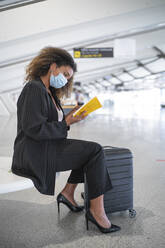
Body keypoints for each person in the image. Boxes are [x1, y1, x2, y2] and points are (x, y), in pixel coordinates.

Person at [11, 47, 120, 234]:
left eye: (69, 77)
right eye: (65, 74)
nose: (66, 80)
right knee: (94, 151)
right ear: (53, 66)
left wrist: (70, 120)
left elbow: (50, 124)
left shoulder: (49, 92)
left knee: (87, 151)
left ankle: (68, 194)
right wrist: (66, 123)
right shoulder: (34, 89)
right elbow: (33, 128)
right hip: (33, 154)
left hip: (44, 147)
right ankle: (97, 211)